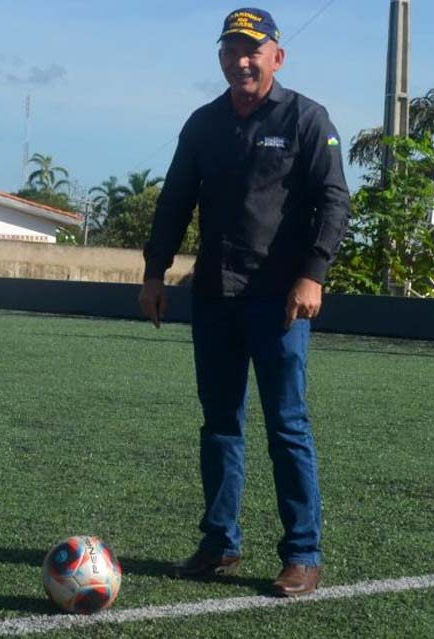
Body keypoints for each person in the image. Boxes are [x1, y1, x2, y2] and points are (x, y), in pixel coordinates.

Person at [138, 8, 350, 597]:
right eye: (231, 49)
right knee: (220, 426)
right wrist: (155, 274)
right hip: (213, 296)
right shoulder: (203, 124)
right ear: (221, 57)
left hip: (278, 301)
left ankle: (303, 554)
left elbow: (334, 202)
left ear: (277, 56)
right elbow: (174, 202)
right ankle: (219, 542)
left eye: (252, 49)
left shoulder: (307, 118)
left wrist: (313, 275)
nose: (242, 59)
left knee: (287, 425)